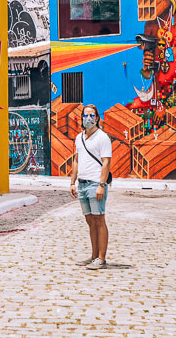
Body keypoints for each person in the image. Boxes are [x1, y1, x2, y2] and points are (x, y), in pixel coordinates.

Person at [69, 104, 112, 270]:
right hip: (82, 184)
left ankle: (101, 258)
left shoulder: (102, 138)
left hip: (95, 183)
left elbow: (106, 162)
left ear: (97, 118)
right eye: (85, 115)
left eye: (92, 115)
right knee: (90, 220)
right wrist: (73, 182)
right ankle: (94, 255)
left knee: (99, 219)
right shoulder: (79, 138)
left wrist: (102, 185)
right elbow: (76, 160)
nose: (88, 119)